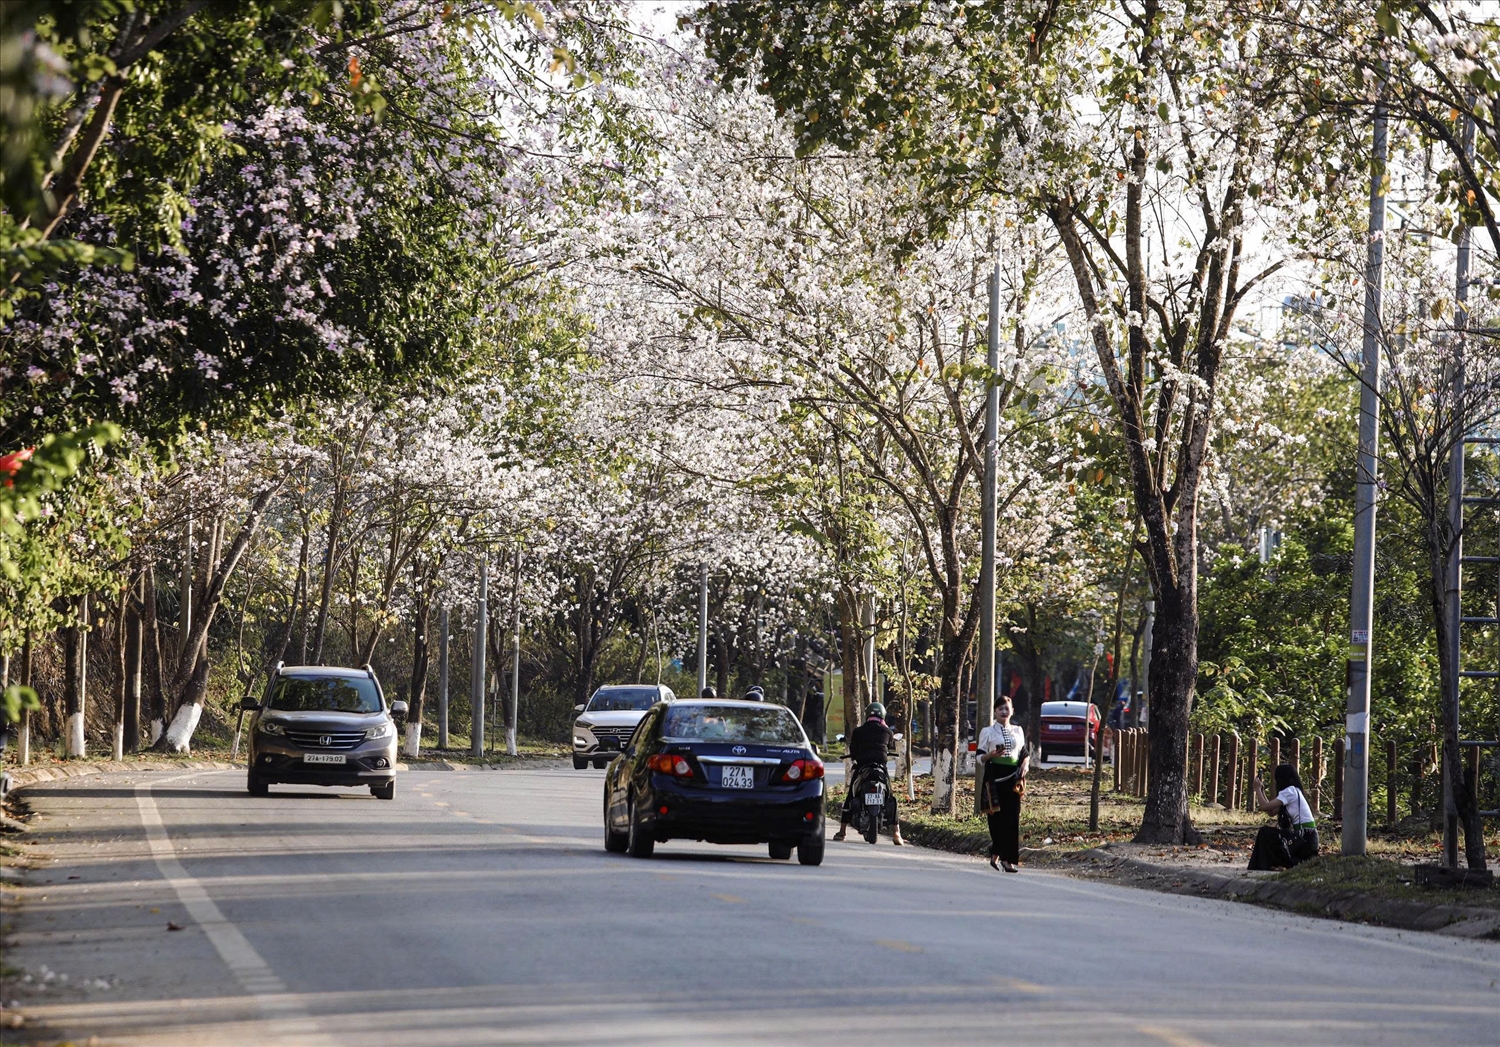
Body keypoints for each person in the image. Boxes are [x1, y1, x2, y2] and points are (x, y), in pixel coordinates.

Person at [833, 702, 904, 845]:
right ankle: (896, 833)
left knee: (850, 796)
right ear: (883, 715)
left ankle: (842, 832)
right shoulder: (887, 731)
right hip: (880, 769)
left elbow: (853, 751)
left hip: (862, 767)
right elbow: (890, 746)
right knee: (890, 797)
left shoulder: (858, 731)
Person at [977, 696, 1028, 872]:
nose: (1004, 712)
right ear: (995, 712)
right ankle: (996, 851)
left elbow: (1024, 753)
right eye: (1001, 709)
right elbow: (979, 757)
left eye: (1007, 708)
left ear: (1012, 711)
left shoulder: (1018, 731)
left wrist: (1025, 765)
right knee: (996, 820)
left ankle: (1008, 860)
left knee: (1012, 819)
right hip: (994, 779)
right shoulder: (988, 732)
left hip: (1013, 779)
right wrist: (991, 755)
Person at [1248, 763, 1319, 871]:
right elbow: (1271, 812)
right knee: (1268, 833)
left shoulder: (1290, 791)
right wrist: (1261, 791)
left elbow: (1265, 807)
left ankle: (1265, 864)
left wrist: (1257, 789)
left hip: (1305, 839)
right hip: (1308, 839)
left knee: (1264, 832)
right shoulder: (1294, 791)